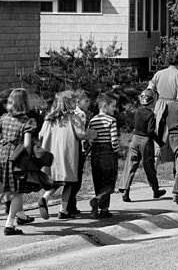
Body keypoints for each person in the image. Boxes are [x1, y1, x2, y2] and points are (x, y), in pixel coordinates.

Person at [39, 91, 90, 219]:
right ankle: (63, 210)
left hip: (52, 155)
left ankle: (45, 197)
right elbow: (81, 134)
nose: (75, 103)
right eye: (73, 101)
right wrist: (92, 134)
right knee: (68, 182)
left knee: (56, 181)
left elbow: (41, 135)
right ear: (68, 103)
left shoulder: (49, 118)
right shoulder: (73, 118)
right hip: (68, 155)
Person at [0, 88, 39, 234]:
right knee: (17, 191)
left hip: (2, 154)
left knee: (3, 188)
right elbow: (27, 145)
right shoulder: (27, 122)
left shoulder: (4, 118)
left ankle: (20, 216)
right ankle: (9, 224)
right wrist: (28, 159)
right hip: (15, 157)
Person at [118, 89, 166, 202]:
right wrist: (160, 142)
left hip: (135, 139)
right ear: (153, 101)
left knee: (131, 165)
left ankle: (125, 189)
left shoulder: (137, 111)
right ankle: (155, 190)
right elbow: (150, 131)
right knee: (149, 166)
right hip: (145, 141)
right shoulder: (151, 115)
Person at [87, 92, 120, 218]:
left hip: (95, 153)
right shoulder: (111, 121)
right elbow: (114, 140)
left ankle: (98, 208)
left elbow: (90, 139)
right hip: (108, 153)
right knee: (109, 182)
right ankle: (101, 203)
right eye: (113, 106)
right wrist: (116, 151)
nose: (114, 109)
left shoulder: (93, 121)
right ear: (105, 106)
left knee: (98, 180)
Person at [148, 53, 178, 132]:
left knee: (158, 128)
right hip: (173, 105)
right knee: (171, 129)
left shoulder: (158, 74)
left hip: (160, 104)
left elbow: (149, 89)